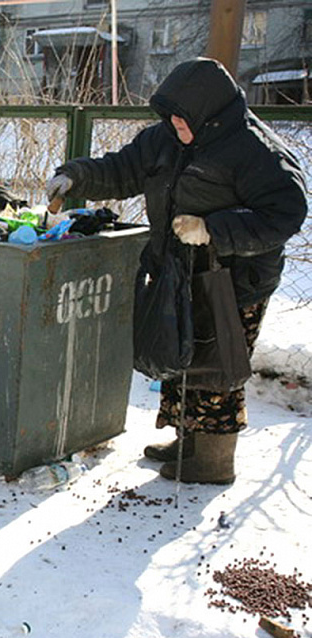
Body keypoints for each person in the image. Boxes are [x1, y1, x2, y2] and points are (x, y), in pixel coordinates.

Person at [45, 57, 307, 485]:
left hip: (233, 279)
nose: (175, 126)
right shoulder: (165, 139)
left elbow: (285, 213)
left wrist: (213, 230)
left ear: (208, 113)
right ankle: (189, 442)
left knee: (216, 366)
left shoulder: (254, 149)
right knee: (182, 356)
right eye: (171, 118)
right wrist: (75, 177)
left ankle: (214, 461)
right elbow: (122, 169)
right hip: (180, 272)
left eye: (183, 119)